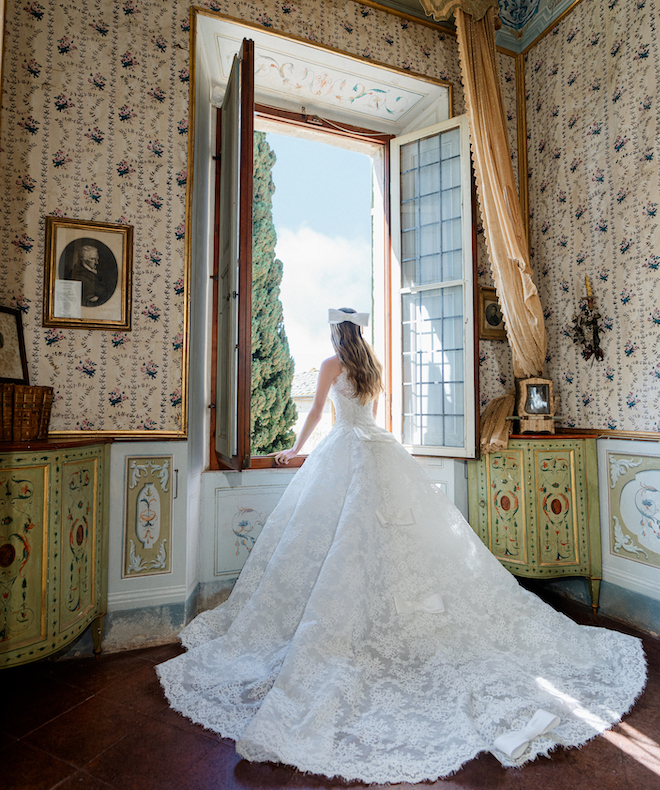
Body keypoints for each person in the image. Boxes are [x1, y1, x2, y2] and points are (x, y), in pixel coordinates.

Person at [156, 308, 646, 784]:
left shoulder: (332, 363)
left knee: (346, 543)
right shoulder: (371, 363)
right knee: (384, 541)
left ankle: (360, 619)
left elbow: (315, 415)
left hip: (345, 451)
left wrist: (296, 450)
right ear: (359, 332)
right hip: (376, 448)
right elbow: (368, 413)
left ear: (336, 332)